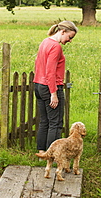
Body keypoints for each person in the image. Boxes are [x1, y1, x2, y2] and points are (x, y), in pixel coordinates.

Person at [34, 20, 78, 153]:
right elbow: (50, 71)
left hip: (39, 85)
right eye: (70, 37)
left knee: (44, 121)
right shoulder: (55, 47)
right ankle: (52, 154)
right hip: (50, 87)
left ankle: (42, 151)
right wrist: (53, 93)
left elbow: (38, 63)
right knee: (56, 123)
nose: (70, 41)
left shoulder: (45, 42)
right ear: (63, 32)